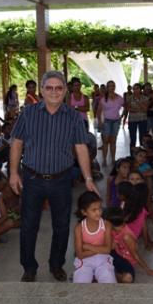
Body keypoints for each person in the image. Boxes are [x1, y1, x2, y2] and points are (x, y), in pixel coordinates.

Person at [10, 70, 97, 282]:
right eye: (49, 88)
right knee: (29, 225)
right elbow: (17, 143)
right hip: (32, 178)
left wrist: (88, 178)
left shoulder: (74, 117)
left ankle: (56, 264)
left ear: (65, 91)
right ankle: (29, 267)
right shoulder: (28, 113)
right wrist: (13, 173)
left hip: (61, 178)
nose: (54, 92)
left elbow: (81, 147)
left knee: (61, 225)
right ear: (41, 90)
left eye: (59, 88)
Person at [105, 207, 153, 283]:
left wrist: (148, 270)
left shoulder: (126, 236)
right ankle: (108, 272)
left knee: (127, 279)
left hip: (125, 260)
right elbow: (111, 246)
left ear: (110, 224)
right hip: (115, 254)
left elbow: (135, 255)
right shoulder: (111, 230)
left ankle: (112, 274)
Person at [72, 191, 116, 284]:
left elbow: (107, 250)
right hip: (85, 261)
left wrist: (87, 246)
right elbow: (80, 254)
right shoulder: (79, 228)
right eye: (94, 210)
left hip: (102, 259)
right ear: (84, 212)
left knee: (109, 282)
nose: (98, 212)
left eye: (100, 208)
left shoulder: (106, 224)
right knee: (80, 284)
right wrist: (100, 249)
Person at [97, 80, 124, 167]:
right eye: (109, 86)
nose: (111, 87)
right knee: (105, 142)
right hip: (107, 122)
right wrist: (100, 122)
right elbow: (98, 112)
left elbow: (126, 106)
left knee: (113, 142)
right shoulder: (103, 98)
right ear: (107, 87)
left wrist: (122, 116)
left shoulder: (119, 98)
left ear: (114, 87)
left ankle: (113, 159)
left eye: (113, 86)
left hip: (116, 122)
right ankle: (104, 160)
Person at [123, 83, 149, 149]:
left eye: (137, 89)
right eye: (134, 89)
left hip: (142, 119)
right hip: (132, 119)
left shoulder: (145, 98)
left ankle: (142, 154)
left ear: (140, 89)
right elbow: (128, 108)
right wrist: (135, 109)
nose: (135, 90)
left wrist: (138, 102)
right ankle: (132, 156)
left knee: (142, 138)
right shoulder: (129, 97)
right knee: (132, 138)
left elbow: (145, 109)